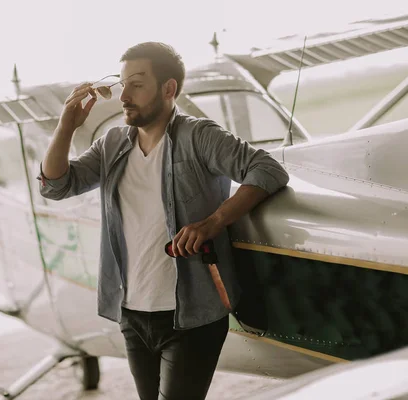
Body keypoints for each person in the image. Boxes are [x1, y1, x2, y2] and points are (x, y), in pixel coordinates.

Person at [38, 42, 289, 400]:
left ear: (168, 89)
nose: (124, 95)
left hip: (191, 314)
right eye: (122, 83)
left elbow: (267, 169)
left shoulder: (199, 136)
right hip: (132, 315)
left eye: (137, 84)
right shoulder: (112, 144)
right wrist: (66, 126)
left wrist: (214, 221)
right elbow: (57, 185)